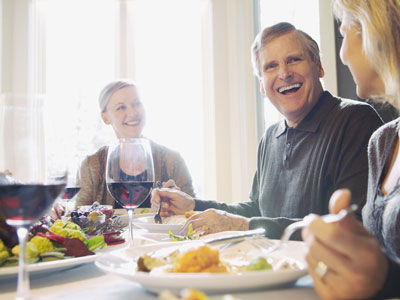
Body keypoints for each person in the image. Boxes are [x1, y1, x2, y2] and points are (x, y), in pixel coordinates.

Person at [151, 22, 383, 239]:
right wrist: (193, 206)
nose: (284, 73)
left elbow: (353, 226)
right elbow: (256, 209)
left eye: (294, 59)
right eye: (271, 66)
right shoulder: (270, 137)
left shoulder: (355, 121)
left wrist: (245, 227)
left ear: (319, 67)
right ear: (262, 84)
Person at [302, 0, 400, 299]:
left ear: (373, 28)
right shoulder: (382, 143)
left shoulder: (353, 121)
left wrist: (379, 278)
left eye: (344, 32)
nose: (342, 54)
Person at [73, 80, 195, 209]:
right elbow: (79, 219)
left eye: (137, 104)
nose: (132, 113)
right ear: (105, 118)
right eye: (121, 107)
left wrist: (176, 203)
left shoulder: (172, 160)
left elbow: (194, 213)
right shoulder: (91, 165)